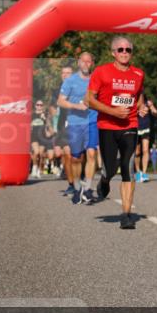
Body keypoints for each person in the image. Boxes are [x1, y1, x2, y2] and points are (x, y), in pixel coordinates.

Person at [87, 36, 145, 229]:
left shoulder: (138, 74)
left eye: (128, 50)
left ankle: (126, 214)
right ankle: (105, 179)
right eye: (120, 50)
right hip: (107, 127)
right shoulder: (101, 72)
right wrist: (113, 111)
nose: (124, 53)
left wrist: (141, 107)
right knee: (110, 168)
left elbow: (138, 96)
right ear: (113, 52)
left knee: (128, 168)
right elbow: (89, 100)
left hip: (130, 125)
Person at [57, 52, 98, 204]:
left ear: (92, 63)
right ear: (79, 63)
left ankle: (87, 189)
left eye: (89, 61)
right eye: (83, 61)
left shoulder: (96, 79)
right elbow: (61, 101)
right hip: (75, 123)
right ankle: (76, 187)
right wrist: (76, 106)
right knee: (76, 158)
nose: (86, 64)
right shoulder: (70, 81)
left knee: (92, 153)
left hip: (92, 121)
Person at [55, 65, 74, 190]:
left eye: (68, 73)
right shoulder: (57, 90)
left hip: (77, 123)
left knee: (77, 155)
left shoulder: (77, 88)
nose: (65, 75)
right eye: (63, 73)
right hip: (63, 125)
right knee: (65, 154)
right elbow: (54, 107)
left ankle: (78, 176)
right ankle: (71, 183)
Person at [135, 96, 157, 183]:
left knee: (145, 150)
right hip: (136, 128)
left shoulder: (147, 101)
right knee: (137, 152)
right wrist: (137, 111)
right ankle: (138, 172)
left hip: (146, 127)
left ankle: (144, 173)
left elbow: (156, 113)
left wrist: (152, 107)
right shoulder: (134, 101)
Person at [29, 100, 55, 178]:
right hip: (34, 135)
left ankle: (38, 170)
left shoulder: (45, 115)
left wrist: (45, 119)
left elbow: (49, 125)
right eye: (38, 105)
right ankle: (34, 167)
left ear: (43, 106)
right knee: (36, 152)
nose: (39, 106)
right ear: (35, 106)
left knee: (41, 154)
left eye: (41, 105)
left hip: (42, 136)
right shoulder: (31, 115)